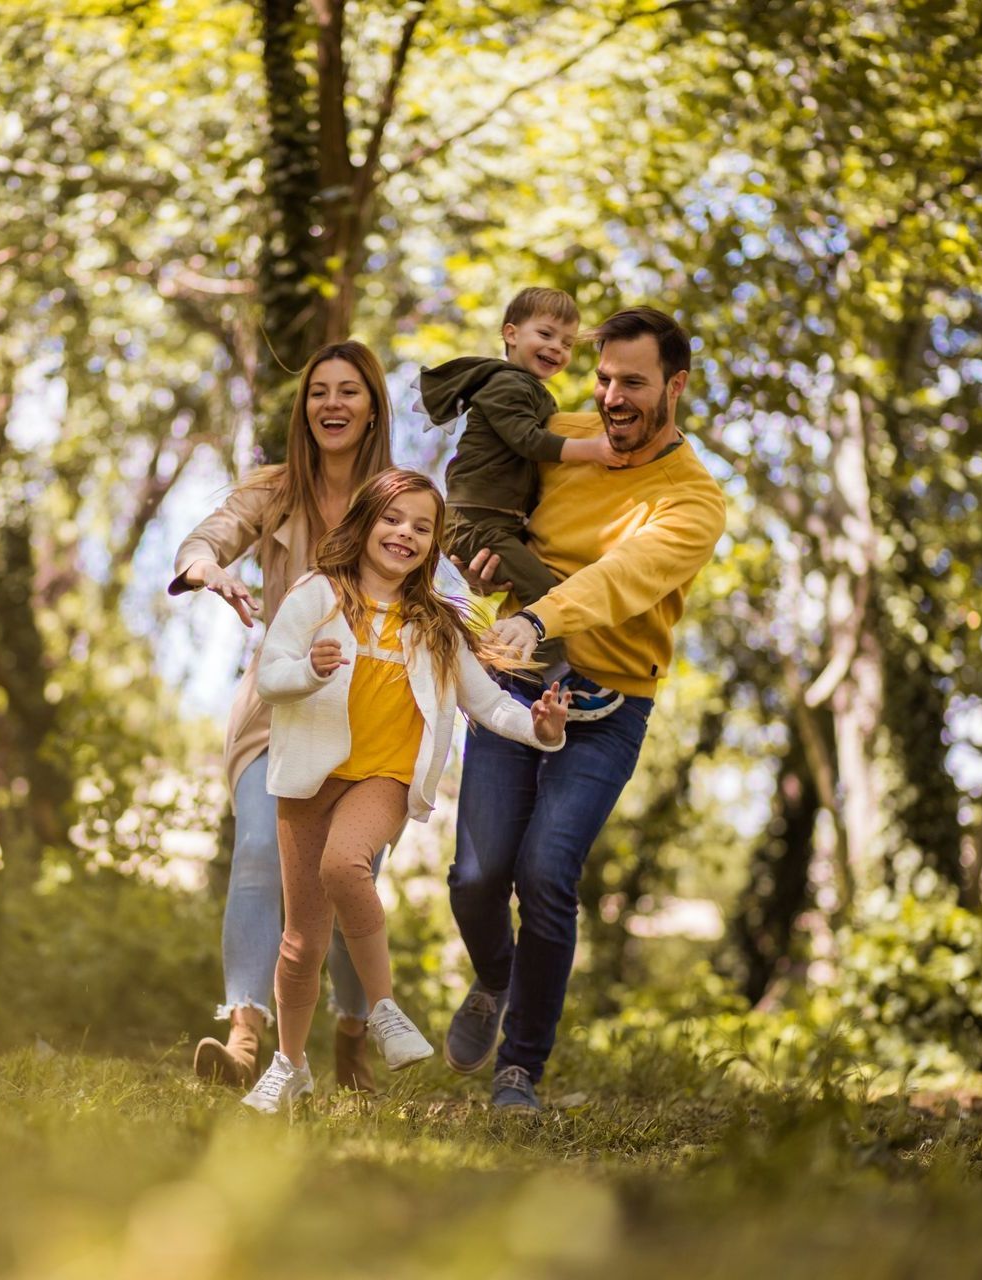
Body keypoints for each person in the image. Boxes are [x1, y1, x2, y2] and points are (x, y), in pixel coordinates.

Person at [442, 306, 728, 1112]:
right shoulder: (562, 434)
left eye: (632, 382)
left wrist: (539, 615)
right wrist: (477, 554)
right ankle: (495, 979)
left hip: (609, 703)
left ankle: (519, 1068)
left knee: (544, 873)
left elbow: (623, 577)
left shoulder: (693, 500)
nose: (611, 398)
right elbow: (478, 492)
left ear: (675, 386)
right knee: (474, 875)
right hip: (514, 679)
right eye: (603, 378)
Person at [239, 468, 571, 1114]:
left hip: (384, 778)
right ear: (365, 522)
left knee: (345, 865)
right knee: (301, 940)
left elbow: (488, 703)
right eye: (394, 520)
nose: (405, 535)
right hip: (311, 775)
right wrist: (308, 671)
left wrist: (539, 728)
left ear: (432, 545)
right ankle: (290, 1064)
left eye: (423, 528)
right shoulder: (317, 596)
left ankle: (384, 1008)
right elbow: (271, 676)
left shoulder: (438, 625)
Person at [169, 340, 394, 1094]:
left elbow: (448, 579)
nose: (332, 404)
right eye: (319, 392)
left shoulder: (399, 499)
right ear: (305, 410)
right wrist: (209, 568)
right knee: (262, 851)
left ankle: (352, 1035)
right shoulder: (273, 490)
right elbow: (204, 538)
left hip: (371, 715)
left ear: (372, 409)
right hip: (280, 704)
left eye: (348, 392)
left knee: (346, 874)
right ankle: (243, 1041)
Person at [416, 287, 627, 716]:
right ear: (510, 334)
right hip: (476, 521)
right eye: (546, 334)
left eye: (567, 343)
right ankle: (559, 681)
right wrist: (593, 449)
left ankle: (512, 669)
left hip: (492, 521)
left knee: (539, 583)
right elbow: (527, 441)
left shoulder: (526, 387)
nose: (556, 348)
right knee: (543, 591)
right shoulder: (507, 384)